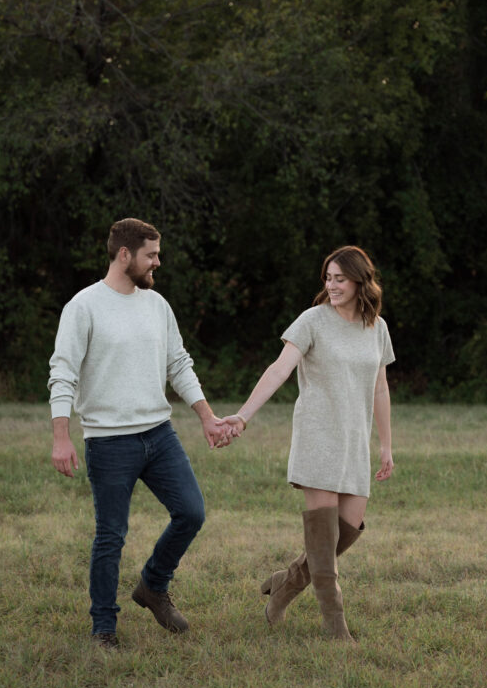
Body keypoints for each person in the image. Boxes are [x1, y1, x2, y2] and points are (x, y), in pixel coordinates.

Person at [48, 217, 233, 651]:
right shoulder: (84, 306)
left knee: (191, 513)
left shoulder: (156, 305)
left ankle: (152, 585)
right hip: (108, 441)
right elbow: (63, 373)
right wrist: (61, 435)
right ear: (125, 255)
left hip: (159, 434)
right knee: (110, 534)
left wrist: (207, 416)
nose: (158, 262)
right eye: (151, 254)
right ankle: (103, 627)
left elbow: (179, 365)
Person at [218, 245, 395, 645]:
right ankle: (336, 627)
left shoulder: (377, 328)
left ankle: (284, 585)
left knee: (345, 531)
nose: (331, 286)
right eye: (328, 279)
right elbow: (279, 369)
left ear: (359, 281)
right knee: (322, 536)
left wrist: (385, 445)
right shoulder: (312, 321)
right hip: (317, 436)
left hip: (354, 442)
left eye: (340, 279)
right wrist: (243, 415)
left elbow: (380, 387)